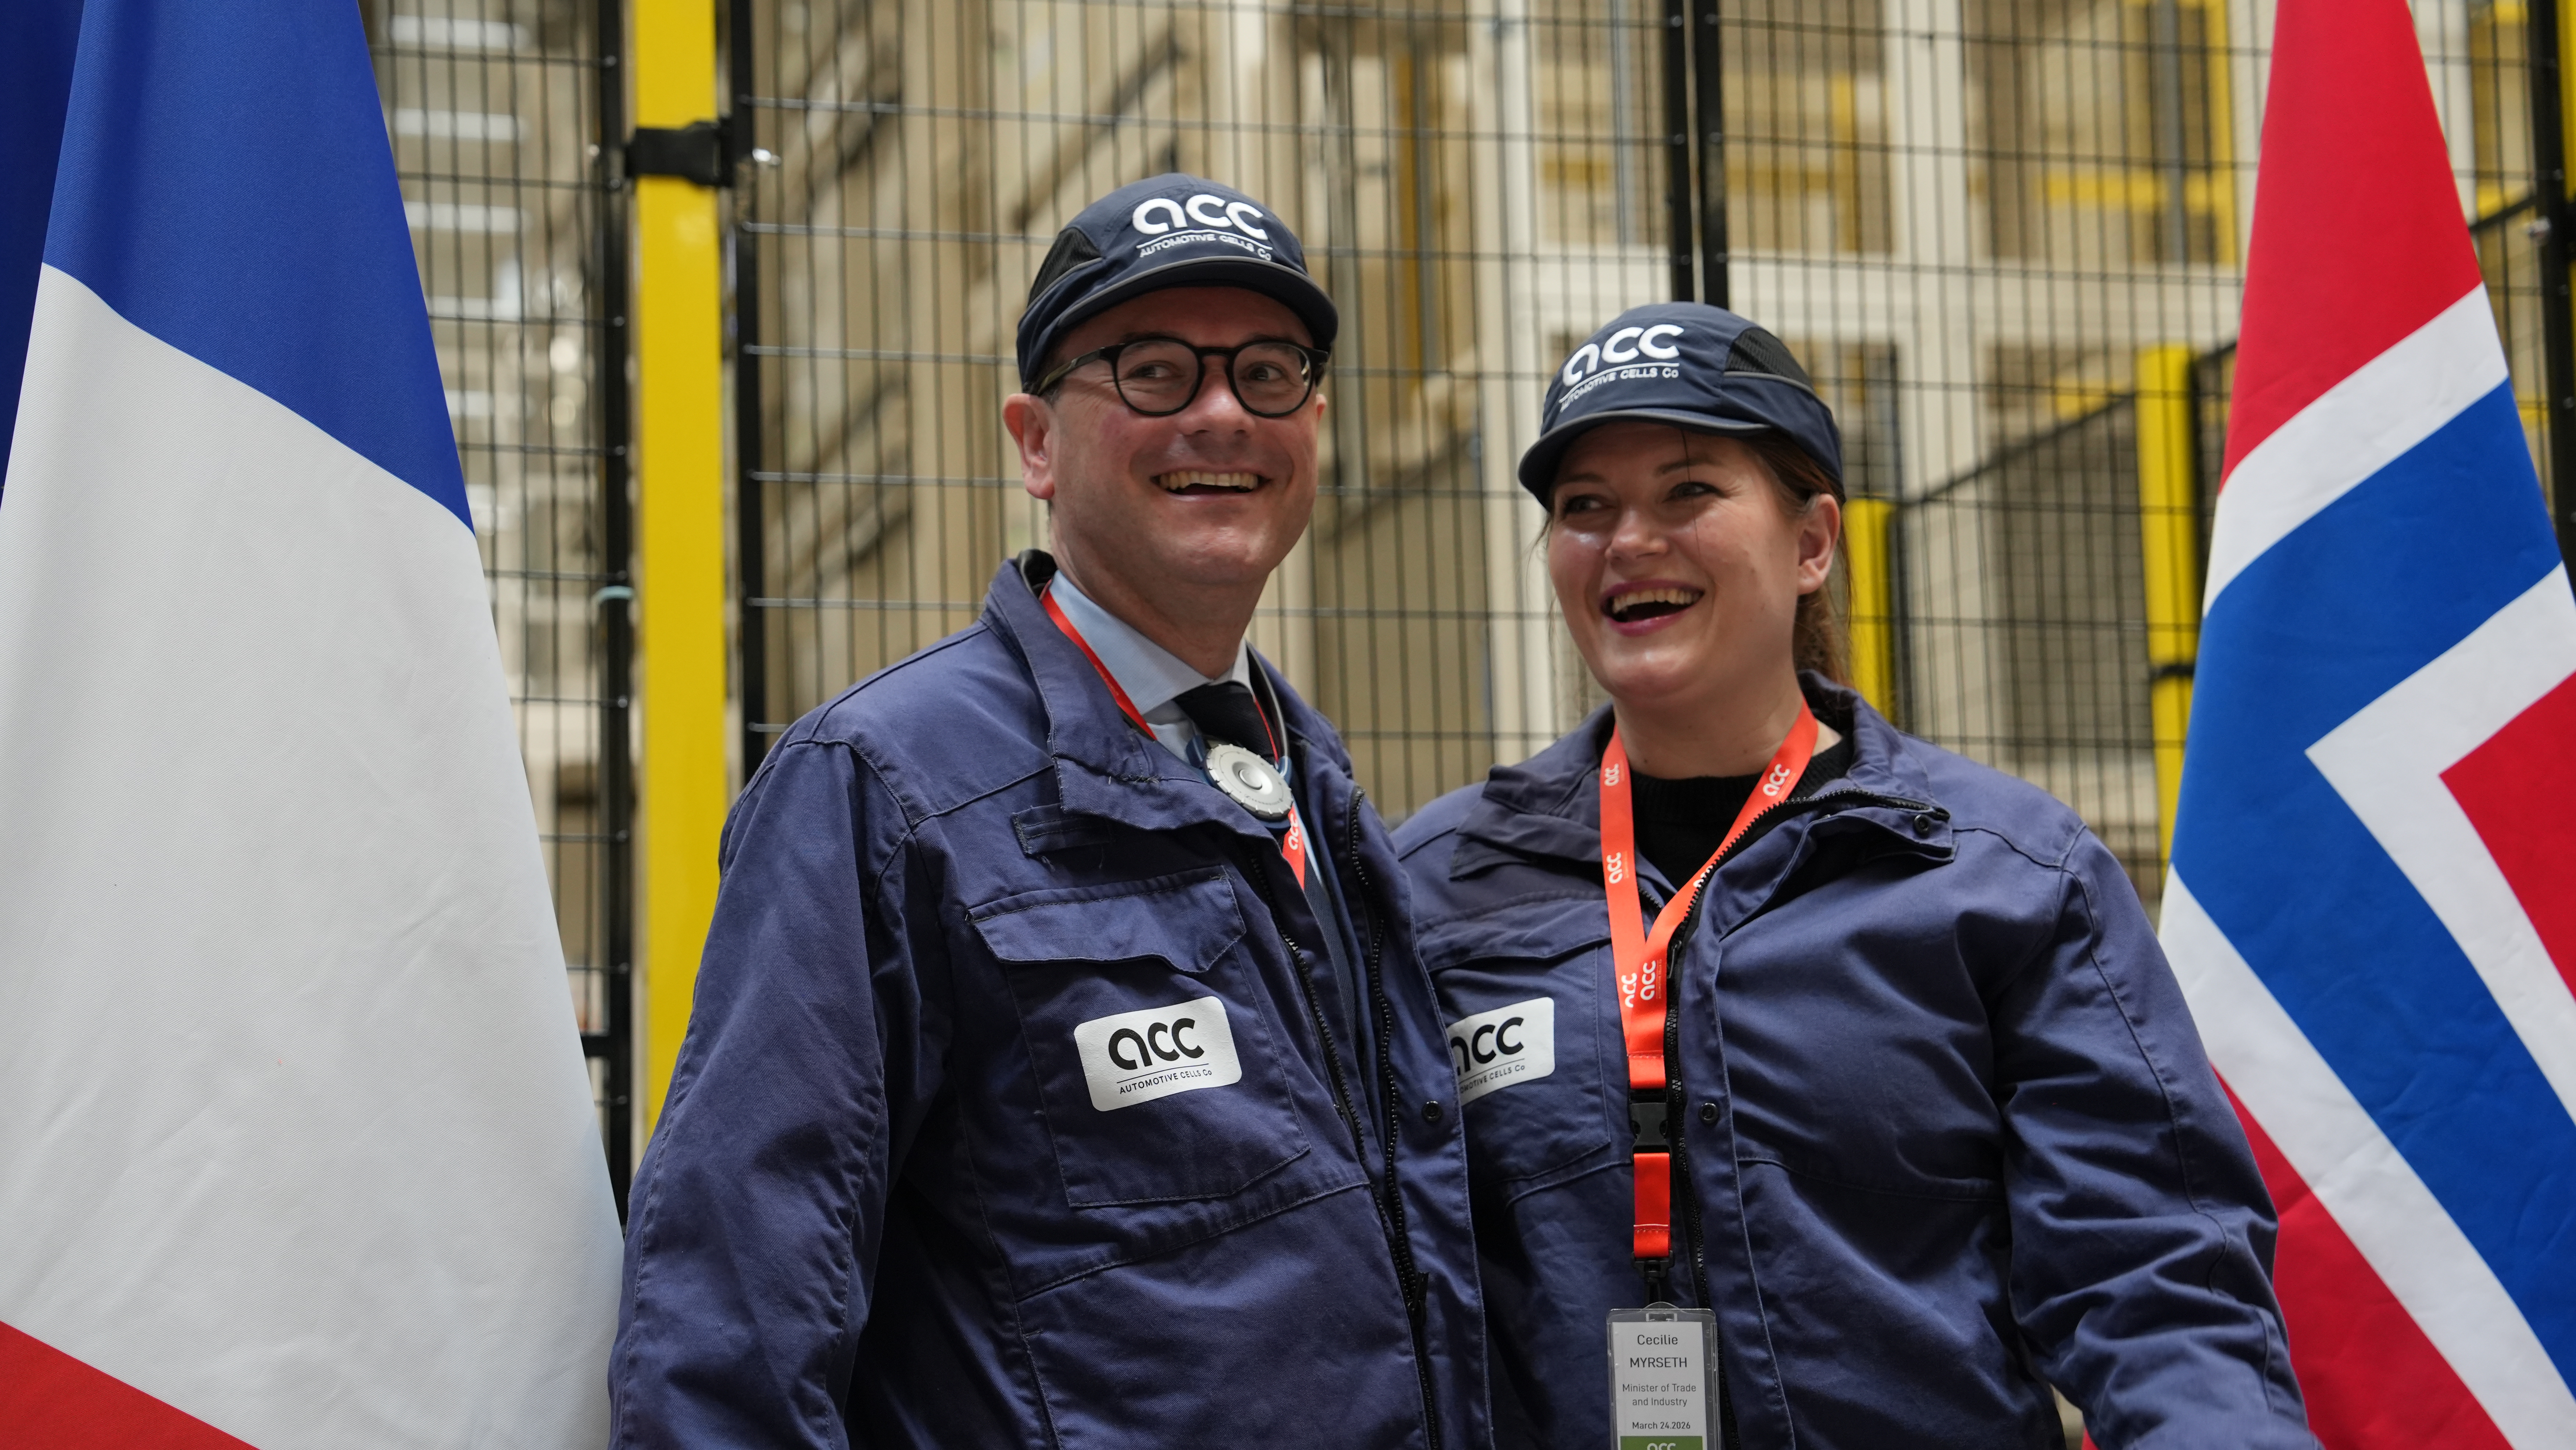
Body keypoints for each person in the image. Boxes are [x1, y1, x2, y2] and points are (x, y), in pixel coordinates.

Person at [609, 175, 1490, 1449]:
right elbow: (731, 1321)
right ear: (1035, 443)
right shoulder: (882, 787)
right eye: (1153, 372)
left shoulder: (1316, 794)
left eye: (1268, 372)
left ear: (1314, 425)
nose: (1222, 413)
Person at [1394, 302, 2313, 1449]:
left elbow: (2157, 1281)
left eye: (1688, 491)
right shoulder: (1442, 889)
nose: (1629, 540)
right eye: (1586, 507)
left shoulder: (2004, 876)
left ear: (1813, 542)